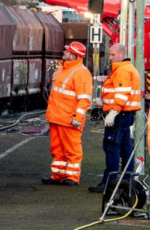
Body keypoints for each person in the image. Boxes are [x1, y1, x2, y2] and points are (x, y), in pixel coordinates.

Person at [88, 43, 142, 193]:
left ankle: (109, 183)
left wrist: (113, 112)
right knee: (126, 149)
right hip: (126, 115)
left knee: (112, 147)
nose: (110, 58)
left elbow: (121, 94)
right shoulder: (128, 69)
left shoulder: (122, 71)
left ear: (121, 54)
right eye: (110, 55)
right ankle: (126, 181)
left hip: (119, 115)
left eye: (113, 55)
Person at [42, 41, 92, 186]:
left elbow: (84, 99)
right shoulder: (63, 69)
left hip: (69, 119)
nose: (64, 52)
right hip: (57, 117)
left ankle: (72, 177)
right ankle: (58, 175)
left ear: (73, 55)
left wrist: (77, 117)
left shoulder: (81, 73)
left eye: (67, 51)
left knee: (72, 149)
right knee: (57, 149)